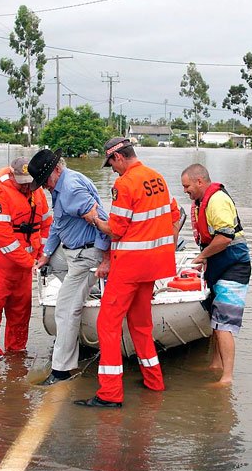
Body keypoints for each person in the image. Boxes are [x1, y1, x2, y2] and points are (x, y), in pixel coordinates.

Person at [74, 137, 182, 408]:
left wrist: (96, 220)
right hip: (154, 266)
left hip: (129, 267)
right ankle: (154, 381)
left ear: (119, 157)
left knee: (107, 325)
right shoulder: (158, 178)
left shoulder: (124, 184)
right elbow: (174, 216)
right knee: (141, 325)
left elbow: (117, 229)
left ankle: (110, 394)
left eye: (111, 163)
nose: (112, 169)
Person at [27, 148, 111, 386]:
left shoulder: (71, 188)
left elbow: (102, 221)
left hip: (87, 254)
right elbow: (57, 224)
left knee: (64, 310)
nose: (44, 187)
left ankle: (62, 370)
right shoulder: (61, 186)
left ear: (56, 169)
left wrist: (105, 259)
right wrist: (45, 255)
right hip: (71, 252)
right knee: (52, 262)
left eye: (45, 181)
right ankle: (87, 291)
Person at [0, 157, 52, 360]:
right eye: (22, 182)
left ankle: (16, 354)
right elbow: (4, 238)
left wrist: (43, 253)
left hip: (24, 265)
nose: (26, 187)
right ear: (12, 174)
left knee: (21, 311)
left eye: (29, 182)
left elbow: (46, 225)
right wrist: (31, 262)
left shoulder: (37, 192)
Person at [180, 163, 251, 385]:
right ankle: (215, 364)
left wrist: (202, 257)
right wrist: (207, 259)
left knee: (224, 323)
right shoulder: (202, 202)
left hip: (235, 265)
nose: (185, 191)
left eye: (187, 186)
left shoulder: (217, 200)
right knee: (215, 320)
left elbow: (225, 237)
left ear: (200, 181)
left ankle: (227, 378)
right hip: (220, 264)